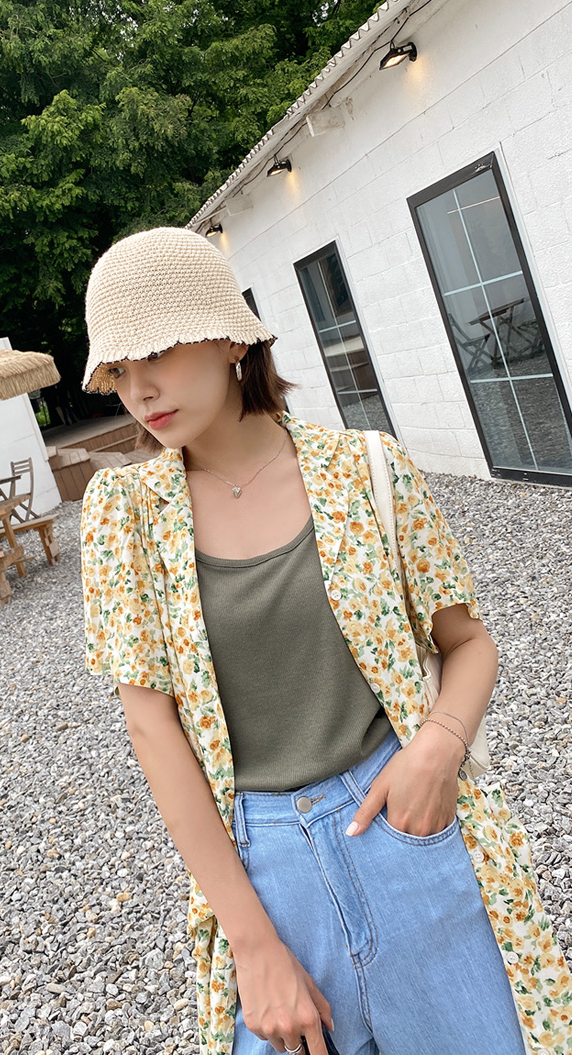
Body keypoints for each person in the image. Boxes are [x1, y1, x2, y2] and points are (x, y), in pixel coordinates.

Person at [79, 227, 572, 1055]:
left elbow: (467, 642)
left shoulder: (365, 468)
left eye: (156, 352)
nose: (140, 389)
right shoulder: (122, 515)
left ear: (232, 339)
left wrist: (437, 748)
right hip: (264, 873)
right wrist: (251, 943)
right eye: (118, 371)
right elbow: (150, 726)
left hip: (409, 823)